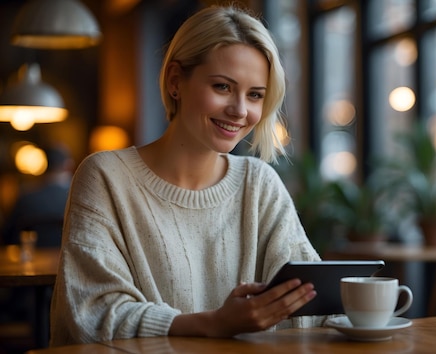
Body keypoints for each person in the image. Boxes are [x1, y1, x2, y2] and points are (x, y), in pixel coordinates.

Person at [50, 5, 321, 346]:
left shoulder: (260, 184)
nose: (240, 110)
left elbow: (311, 301)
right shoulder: (105, 176)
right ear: (176, 80)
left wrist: (368, 308)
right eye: (223, 87)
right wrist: (213, 323)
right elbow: (90, 314)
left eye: (255, 95)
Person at [2, 144, 74, 247]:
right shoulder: (78, 198)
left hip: (31, 259)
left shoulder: (25, 197)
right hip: (67, 260)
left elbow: (8, 236)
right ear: (68, 165)